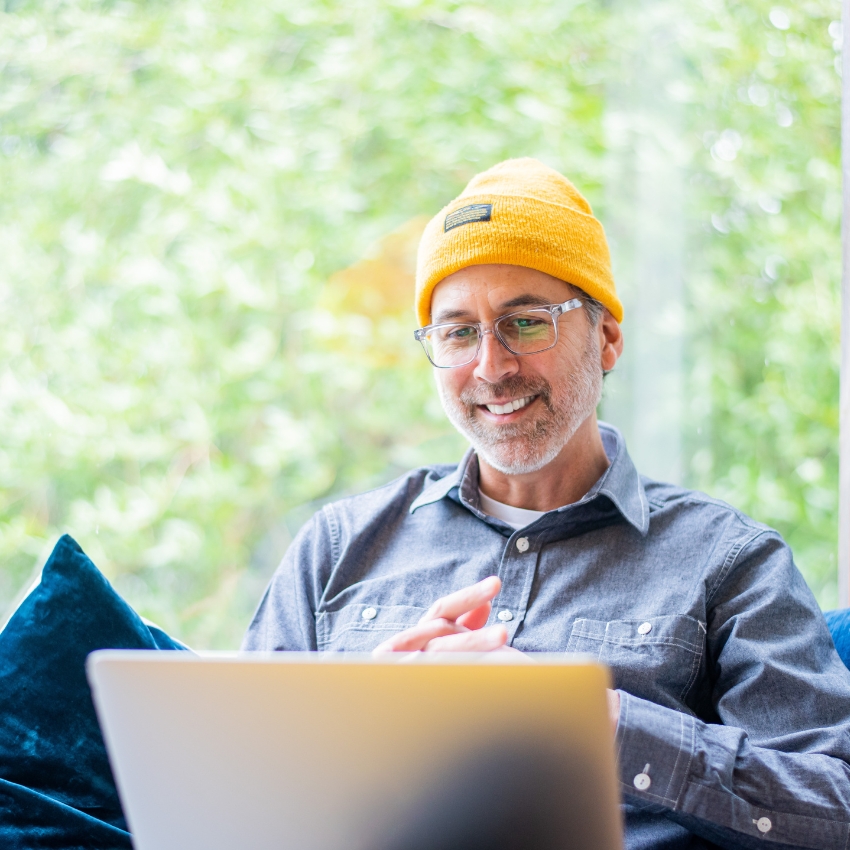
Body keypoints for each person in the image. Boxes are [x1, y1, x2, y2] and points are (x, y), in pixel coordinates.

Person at [243, 158, 850, 849]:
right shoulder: (336, 548)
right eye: (458, 332)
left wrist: (590, 723)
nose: (492, 367)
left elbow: (835, 808)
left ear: (607, 338)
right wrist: (354, 733)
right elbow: (234, 789)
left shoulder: (729, 561)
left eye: (526, 323)